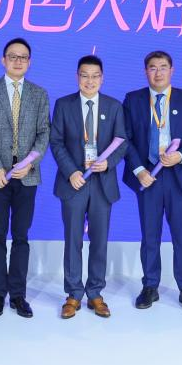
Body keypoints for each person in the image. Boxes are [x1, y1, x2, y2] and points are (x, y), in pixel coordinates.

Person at [122, 51, 182, 313]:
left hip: (178, 176)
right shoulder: (133, 99)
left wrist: (180, 156)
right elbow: (125, 138)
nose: (158, 73)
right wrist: (139, 170)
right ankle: (150, 286)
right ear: (145, 71)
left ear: (172, 70)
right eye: (152, 68)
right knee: (150, 235)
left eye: (163, 67)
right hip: (147, 176)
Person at [0, 37, 50, 318]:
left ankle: (18, 295)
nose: (18, 61)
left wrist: (30, 163)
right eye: (13, 56)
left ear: (29, 62)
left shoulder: (39, 94)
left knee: (21, 236)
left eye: (23, 57)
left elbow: (44, 133)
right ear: (3, 60)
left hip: (26, 177)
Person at [49, 55, 128, 319]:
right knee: (73, 240)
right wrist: (71, 171)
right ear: (77, 77)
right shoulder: (63, 105)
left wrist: (109, 163)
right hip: (74, 182)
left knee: (99, 241)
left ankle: (95, 292)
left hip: (102, 183)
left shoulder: (114, 106)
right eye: (85, 75)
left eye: (95, 76)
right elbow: (56, 142)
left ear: (102, 78)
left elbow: (123, 142)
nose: (90, 81)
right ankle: (73, 294)